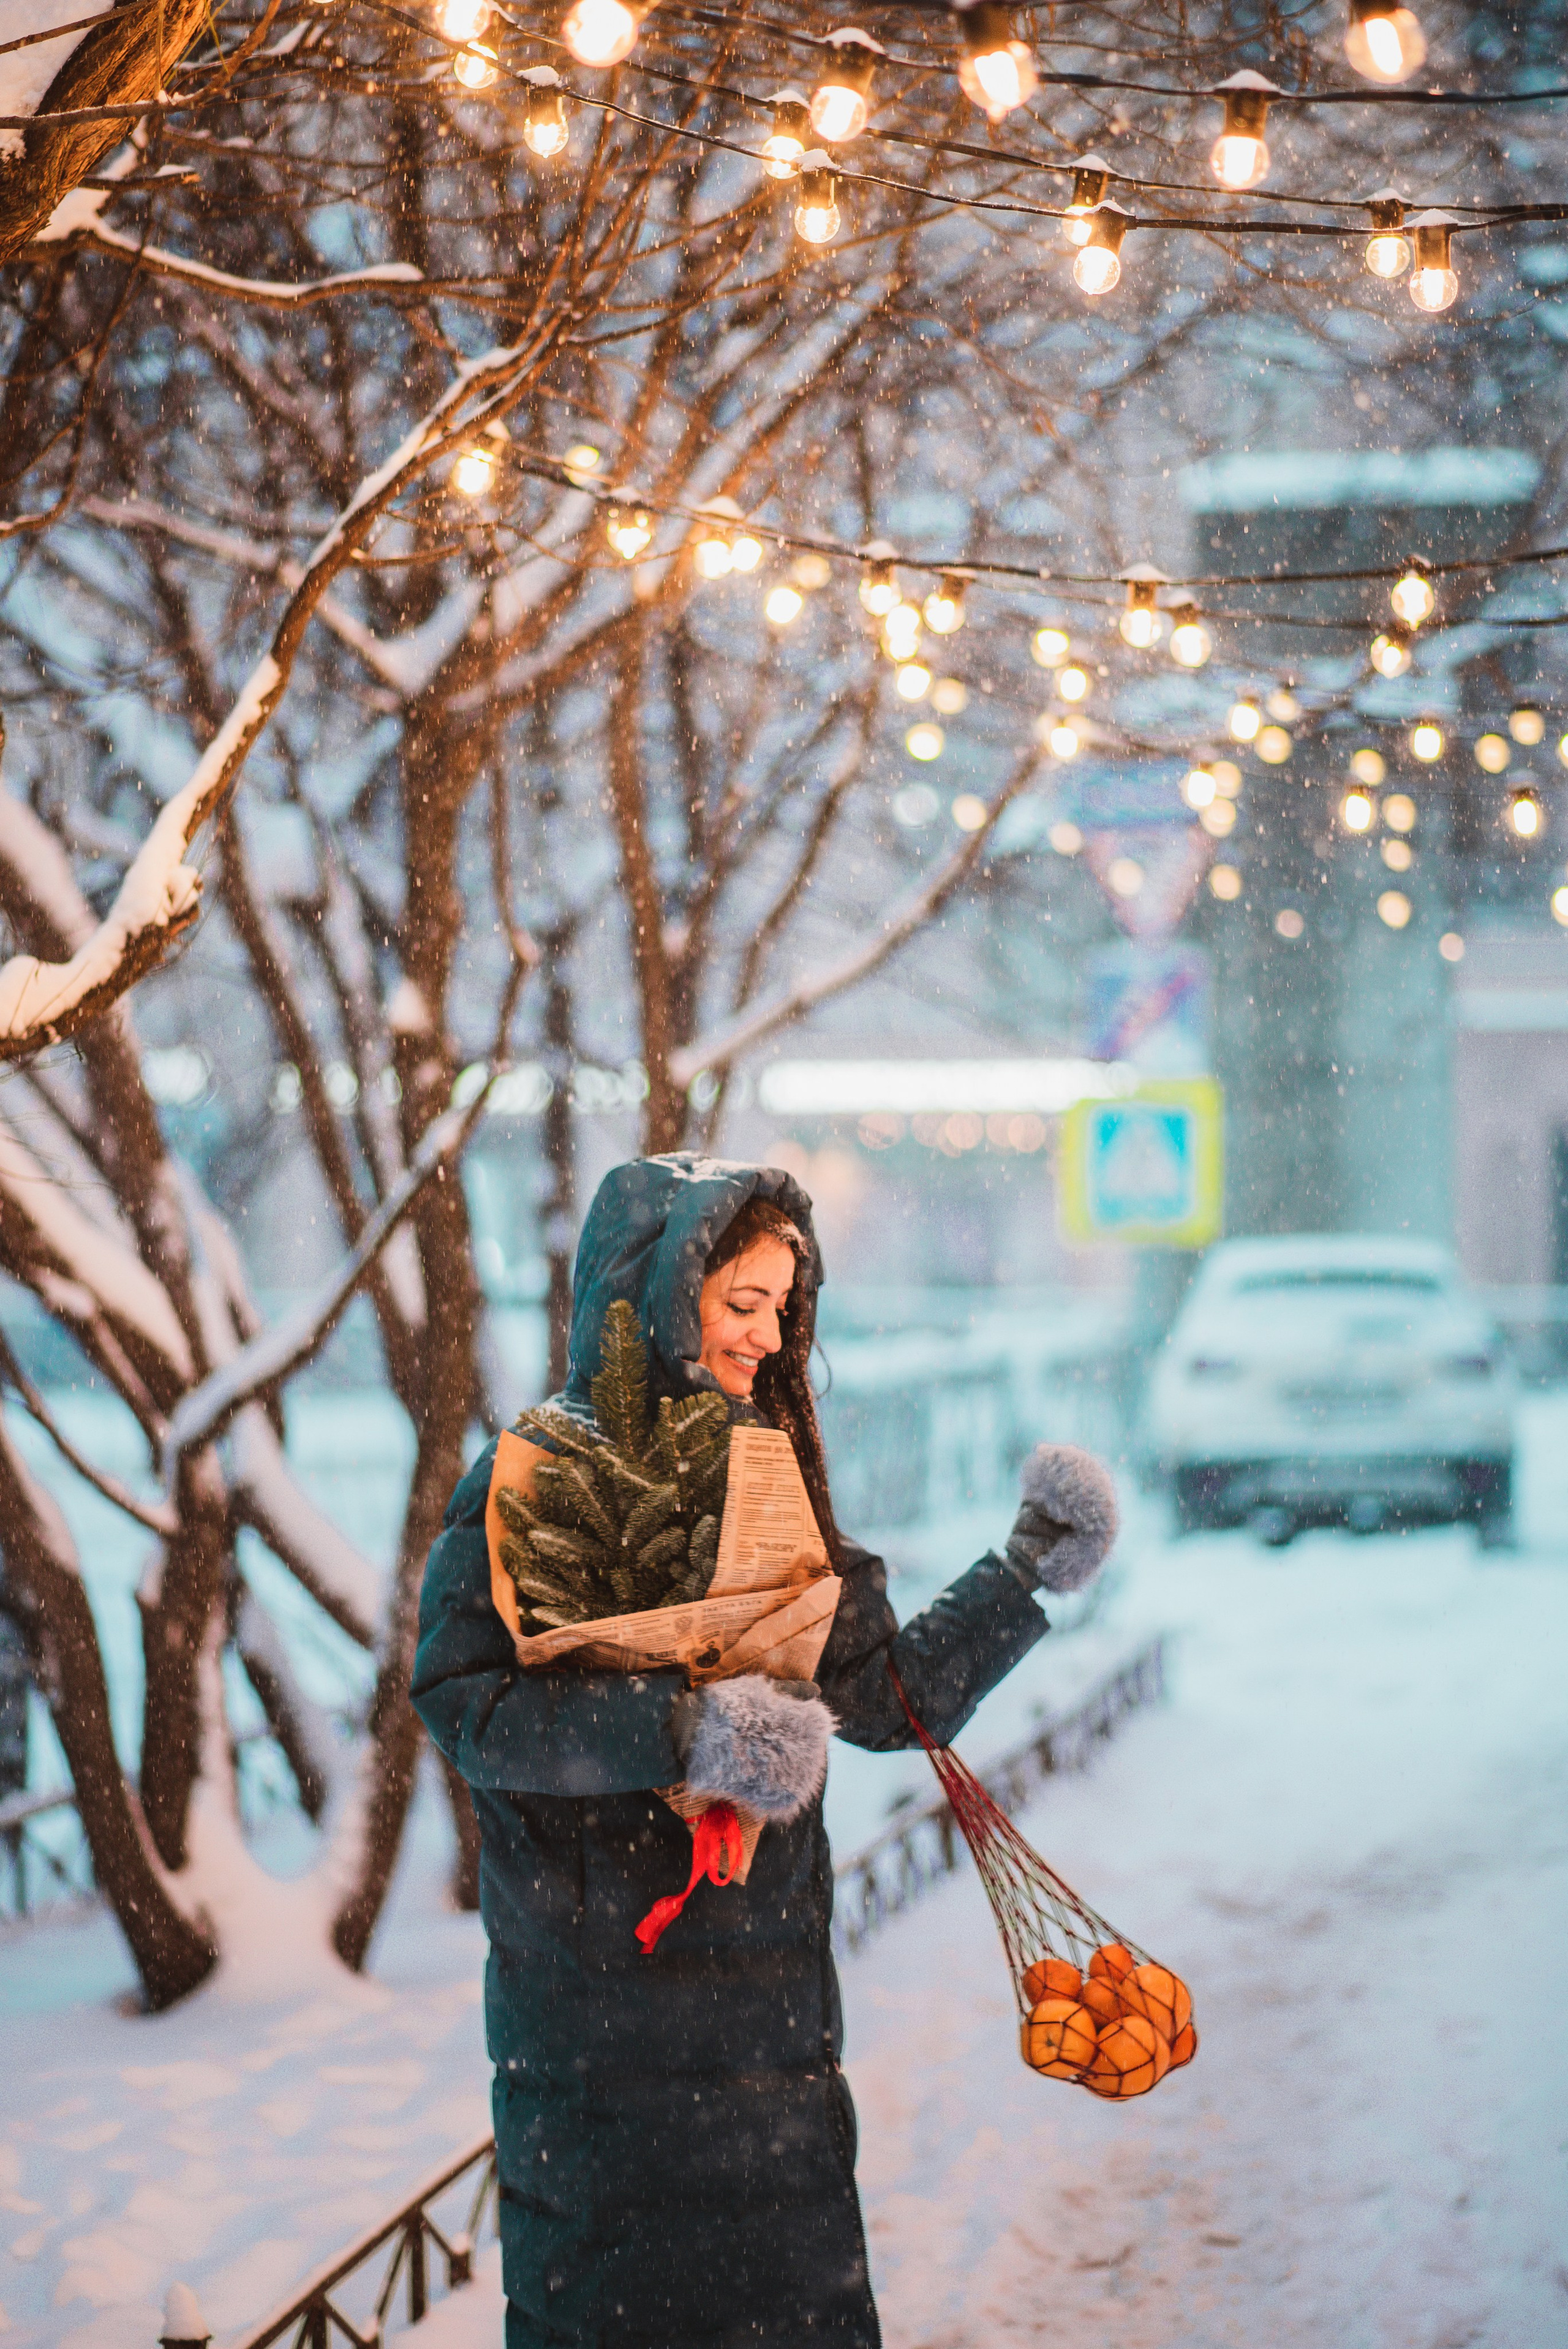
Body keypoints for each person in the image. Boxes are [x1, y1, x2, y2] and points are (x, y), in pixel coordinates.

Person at [413, 1154, 1118, 2349]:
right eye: (740, 1303)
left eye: (781, 1311)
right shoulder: (531, 1486)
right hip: (598, 2039)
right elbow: (467, 1707)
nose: (765, 1336)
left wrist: (1018, 1577)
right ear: (653, 1300)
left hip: (768, 2042)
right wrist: (685, 1732)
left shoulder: (766, 1479)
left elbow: (879, 1697)